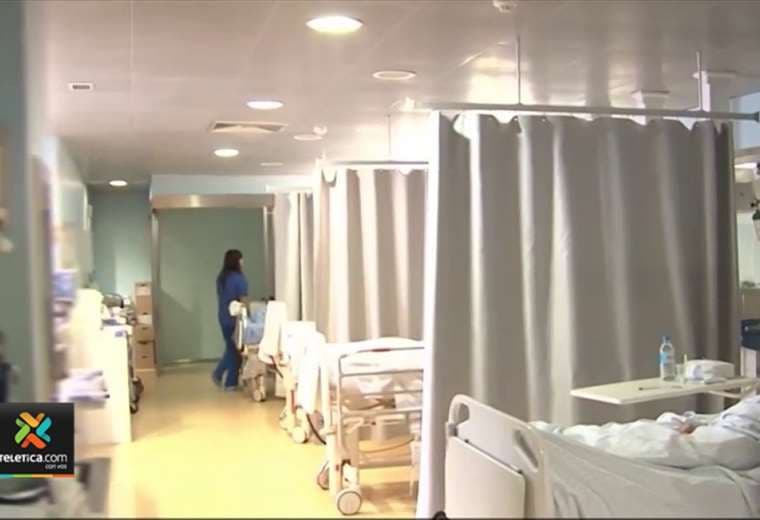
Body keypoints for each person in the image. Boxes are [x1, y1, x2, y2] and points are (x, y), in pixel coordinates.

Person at [212, 249, 249, 391]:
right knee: (234, 350)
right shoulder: (239, 279)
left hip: (223, 318)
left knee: (231, 348)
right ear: (237, 261)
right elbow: (243, 300)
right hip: (235, 320)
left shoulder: (222, 278)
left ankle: (224, 378)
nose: (243, 262)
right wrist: (249, 315)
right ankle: (227, 380)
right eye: (241, 259)